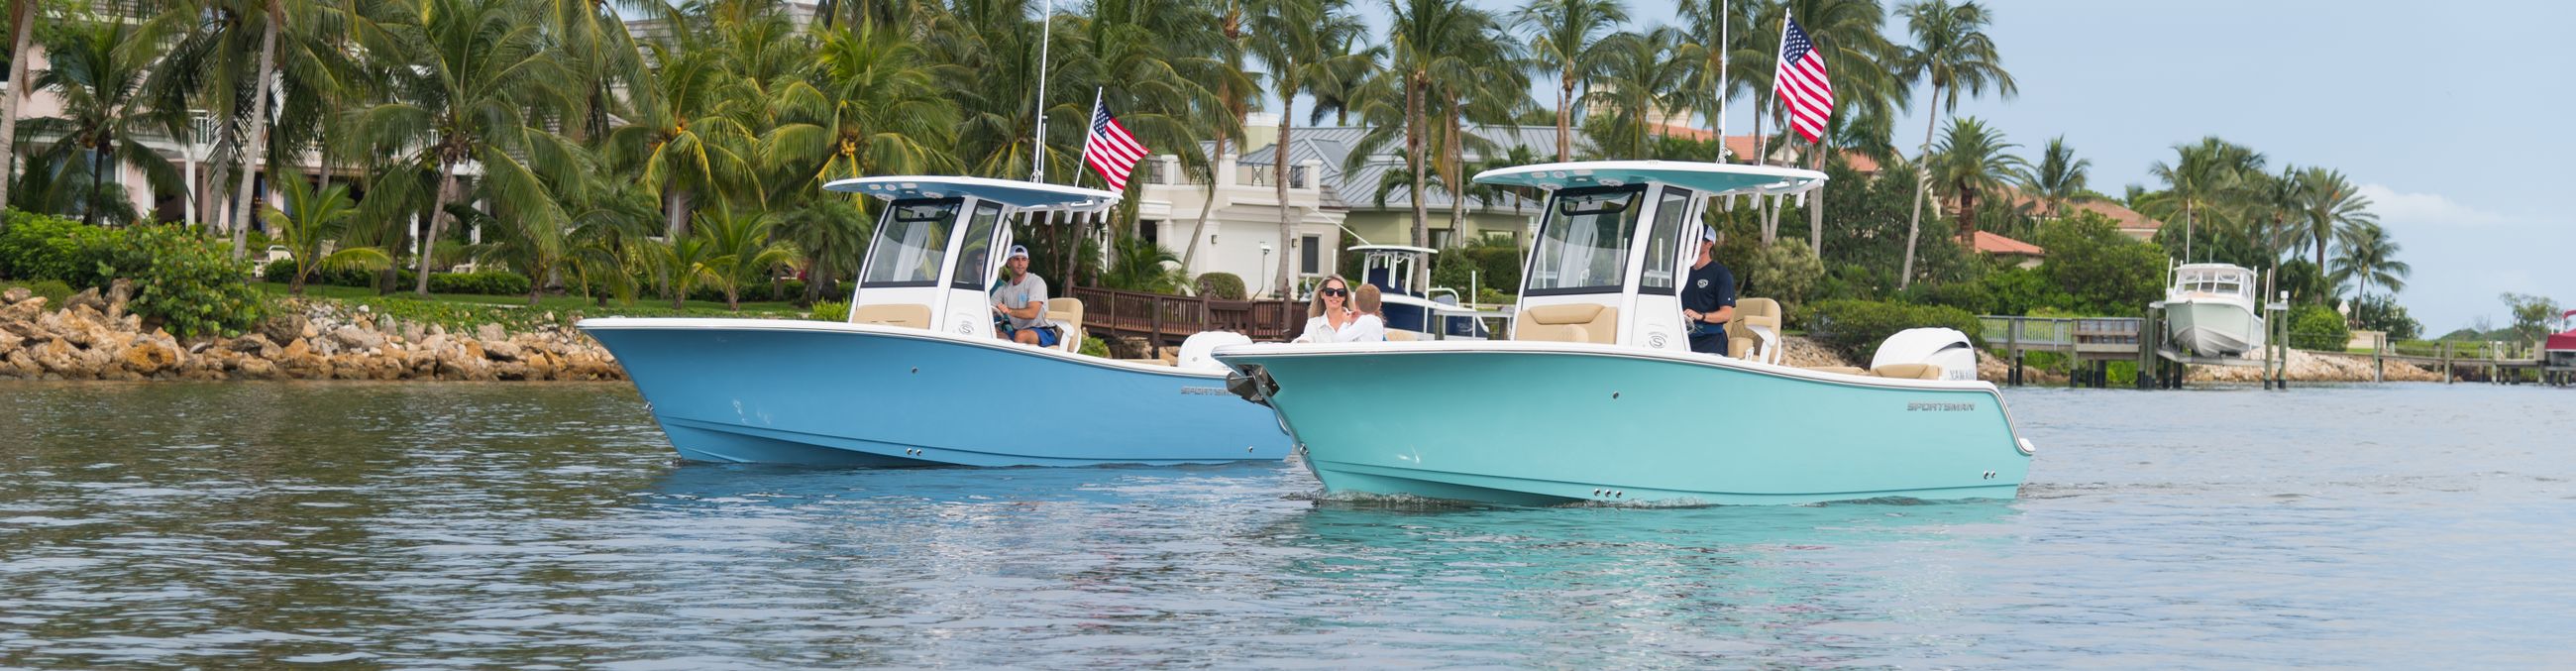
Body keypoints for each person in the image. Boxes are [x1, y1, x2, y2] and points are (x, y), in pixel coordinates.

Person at [1680, 228, 1737, 355]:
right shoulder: (1681, 273)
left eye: (1696, 240)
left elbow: (1726, 314)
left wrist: (1700, 315)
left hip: (1710, 342)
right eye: (1689, 239)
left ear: (1709, 244)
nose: (1690, 243)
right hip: (1682, 339)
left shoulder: (1721, 274)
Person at [992, 245, 1060, 347]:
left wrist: (1008, 311)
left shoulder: (1036, 282)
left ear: (1028, 263)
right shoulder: (1003, 289)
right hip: (1018, 331)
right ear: (1008, 262)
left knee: (1020, 336)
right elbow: (988, 308)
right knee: (993, 334)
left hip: (1043, 331)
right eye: (1016, 259)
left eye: (1024, 259)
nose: (1020, 263)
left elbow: (1032, 313)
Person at [1292, 275, 1384, 343]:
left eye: (1340, 292)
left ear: (1344, 296)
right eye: (1330, 292)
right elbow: (1304, 339)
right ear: (1322, 294)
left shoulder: (1358, 320)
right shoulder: (1313, 324)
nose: (1335, 295)